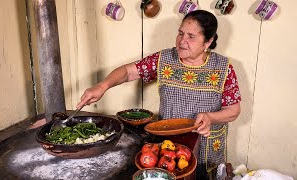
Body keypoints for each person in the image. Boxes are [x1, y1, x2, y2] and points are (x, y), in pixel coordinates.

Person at [77, 10, 241, 179]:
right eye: (180, 33)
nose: (182, 41)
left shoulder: (222, 68)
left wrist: (210, 117)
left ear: (208, 42)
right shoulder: (164, 59)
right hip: (168, 145)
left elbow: (234, 110)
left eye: (191, 36)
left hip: (206, 146)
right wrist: (102, 86)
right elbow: (127, 72)